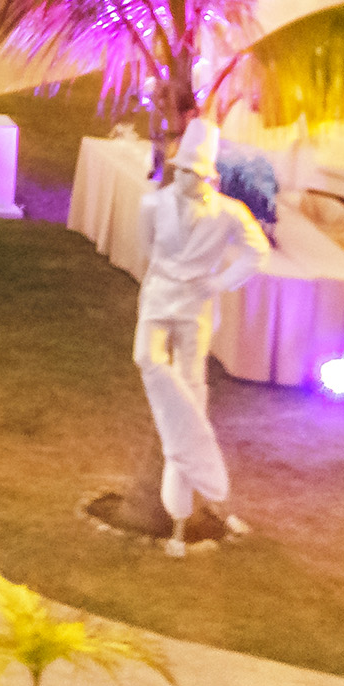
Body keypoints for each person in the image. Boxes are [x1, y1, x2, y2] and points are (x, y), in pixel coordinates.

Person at [133, 121, 271, 553]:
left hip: (195, 308)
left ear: (208, 175)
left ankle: (182, 514)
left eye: (196, 172)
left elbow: (257, 251)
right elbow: (147, 248)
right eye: (183, 170)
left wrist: (222, 282)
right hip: (158, 300)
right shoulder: (152, 204)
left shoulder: (229, 212)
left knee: (193, 388)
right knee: (147, 359)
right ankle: (199, 454)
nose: (188, 178)